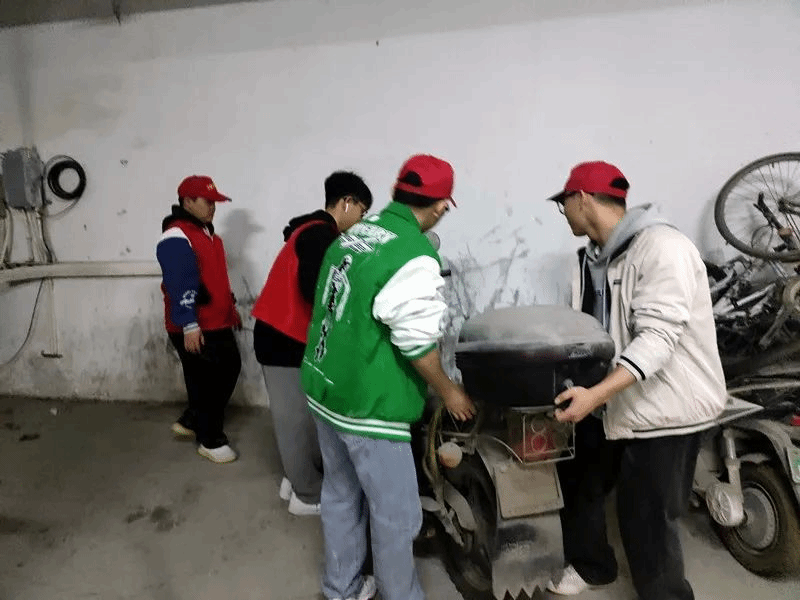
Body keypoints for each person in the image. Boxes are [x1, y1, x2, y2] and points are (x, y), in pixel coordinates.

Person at [545, 161, 727, 600]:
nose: (564, 214)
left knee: (647, 519)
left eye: (563, 204)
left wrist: (595, 396)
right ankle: (592, 566)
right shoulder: (588, 259)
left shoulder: (663, 248)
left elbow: (657, 339)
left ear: (581, 199)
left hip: (665, 408)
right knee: (579, 478)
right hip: (610, 399)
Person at [301, 154, 476, 600]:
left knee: (341, 494)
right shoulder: (413, 255)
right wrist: (450, 391)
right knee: (396, 515)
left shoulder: (355, 233)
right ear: (442, 205)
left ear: (397, 192)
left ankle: (341, 588)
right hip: (370, 408)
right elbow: (417, 344)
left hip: (326, 391)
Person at [251, 171, 373, 516]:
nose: (361, 220)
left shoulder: (312, 231)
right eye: (362, 211)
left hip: (289, 336)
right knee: (293, 420)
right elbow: (316, 290)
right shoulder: (320, 235)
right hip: (282, 338)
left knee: (303, 418)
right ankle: (305, 495)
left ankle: (294, 478)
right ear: (346, 202)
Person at [156, 175, 242, 464]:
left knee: (225, 370)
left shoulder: (209, 236)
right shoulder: (176, 236)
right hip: (195, 325)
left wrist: (231, 310)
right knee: (208, 382)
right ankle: (210, 439)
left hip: (217, 321)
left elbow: (215, 280)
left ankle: (193, 418)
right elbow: (179, 282)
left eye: (215, 203)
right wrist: (189, 325)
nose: (213, 208)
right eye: (208, 202)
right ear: (187, 202)